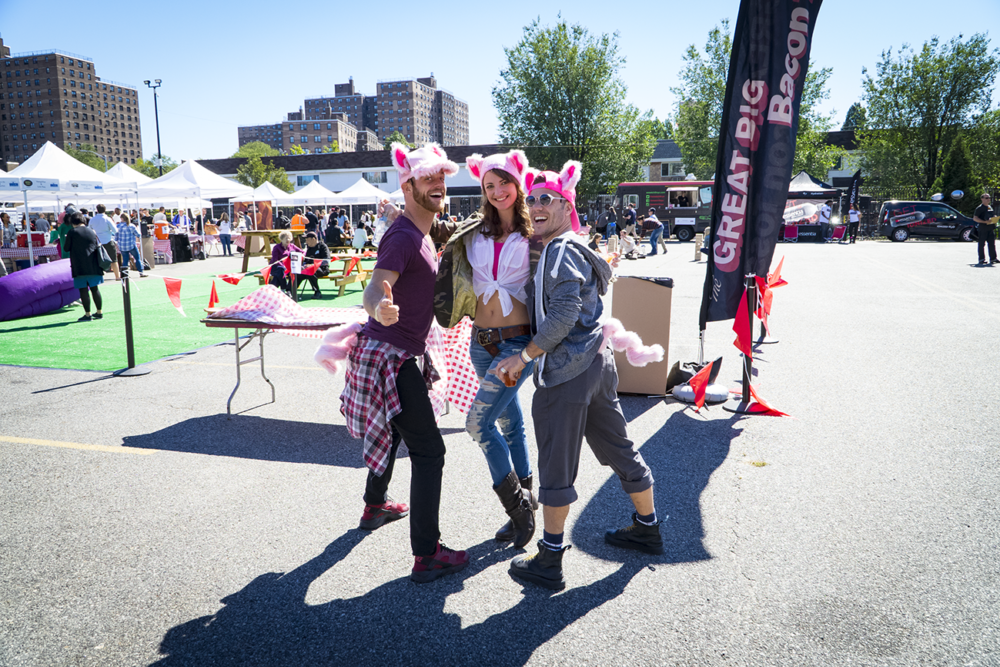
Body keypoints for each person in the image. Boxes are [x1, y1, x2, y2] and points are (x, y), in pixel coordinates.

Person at [494, 161, 662, 591]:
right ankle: (648, 528)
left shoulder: (560, 249)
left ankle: (549, 559)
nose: (535, 205)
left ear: (567, 205)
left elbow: (566, 311)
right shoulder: (575, 246)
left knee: (555, 466)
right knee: (620, 448)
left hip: (567, 373)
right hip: (597, 364)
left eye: (545, 198)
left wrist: (525, 356)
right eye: (530, 199)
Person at [340, 142, 468, 583]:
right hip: (391, 357)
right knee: (430, 452)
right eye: (427, 177)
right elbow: (375, 287)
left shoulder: (421, 231)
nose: (438, 183)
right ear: (408, 184)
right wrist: (379, 307)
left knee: (395, 431)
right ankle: (427, 553)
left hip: (399, 351)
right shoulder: (402, 235)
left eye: (441, 176)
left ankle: (375, 505)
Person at [428, 150, 539, 548]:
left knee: (478, 424)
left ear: (518, 183)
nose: (496, 192)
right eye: (488, 186)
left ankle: (518, 511)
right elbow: (444, 243)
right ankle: (527, 498)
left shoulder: (534, 234)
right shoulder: (475, 231)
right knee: (509, 422)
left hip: (516, 341)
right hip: (481, 342)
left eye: (503, 183)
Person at [63, 212, 105, 322]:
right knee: (95, 289)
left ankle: (87, 314)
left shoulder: (72, 232)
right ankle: (99, 312)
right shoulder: (92, 231)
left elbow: (66, 248)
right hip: (94, 264)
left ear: (72, 222)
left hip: (79, 265)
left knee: (83, 290)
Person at [88, 204, 120, 281]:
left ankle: (99, 277)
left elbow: (89, 229)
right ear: (105, 210)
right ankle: (117, 277)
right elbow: (115, 230)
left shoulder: (92, 219)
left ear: (97, 210)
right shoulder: (107, 219)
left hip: (97, 242)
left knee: (98, 260)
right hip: (108, 241)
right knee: (114, 260)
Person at [299, 232, 330, 298]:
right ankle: (290, 290)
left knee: (310, 270)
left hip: (322, 269)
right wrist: (303, 266)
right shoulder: (309, 248)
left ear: (313, 239)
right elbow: (306, 260)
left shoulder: (323, 246)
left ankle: (317, 292)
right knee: (297, 272)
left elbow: (326, 260)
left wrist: (313, 265)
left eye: (307, 239)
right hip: (308, 269)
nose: (306, 242)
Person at [115, 213, 146, 278]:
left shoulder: (118, 226)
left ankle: (125, 275)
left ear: (121, 218)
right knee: (137, 258)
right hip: (131, 245)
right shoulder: (132, 226)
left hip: (122, 246)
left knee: (125, 260)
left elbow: (116, 238)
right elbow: (138, 235)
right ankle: (141, 272)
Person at [973, 193, 997, 265]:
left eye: (989, 198)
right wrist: (984, 222)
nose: (988, 199)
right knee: (981, 244)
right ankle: (981, 259)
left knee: (992, 244)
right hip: (983, 228)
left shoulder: (990, 207)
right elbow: (975, 218)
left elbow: (992, 214)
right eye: (986, 198)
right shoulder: (979, 208)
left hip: (990, 228)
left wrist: (994, 217)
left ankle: (993, 258)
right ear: (982, 199)